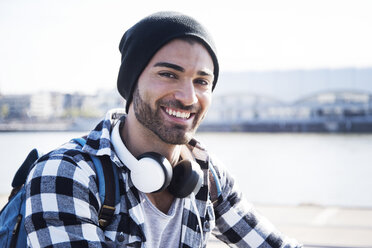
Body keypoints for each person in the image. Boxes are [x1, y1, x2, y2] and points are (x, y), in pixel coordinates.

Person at [24, 11, 301, 247]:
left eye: (202, 81)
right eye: (169, 74)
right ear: (131, 84)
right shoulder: (65, 174)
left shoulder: (207, 174)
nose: (189, 97)